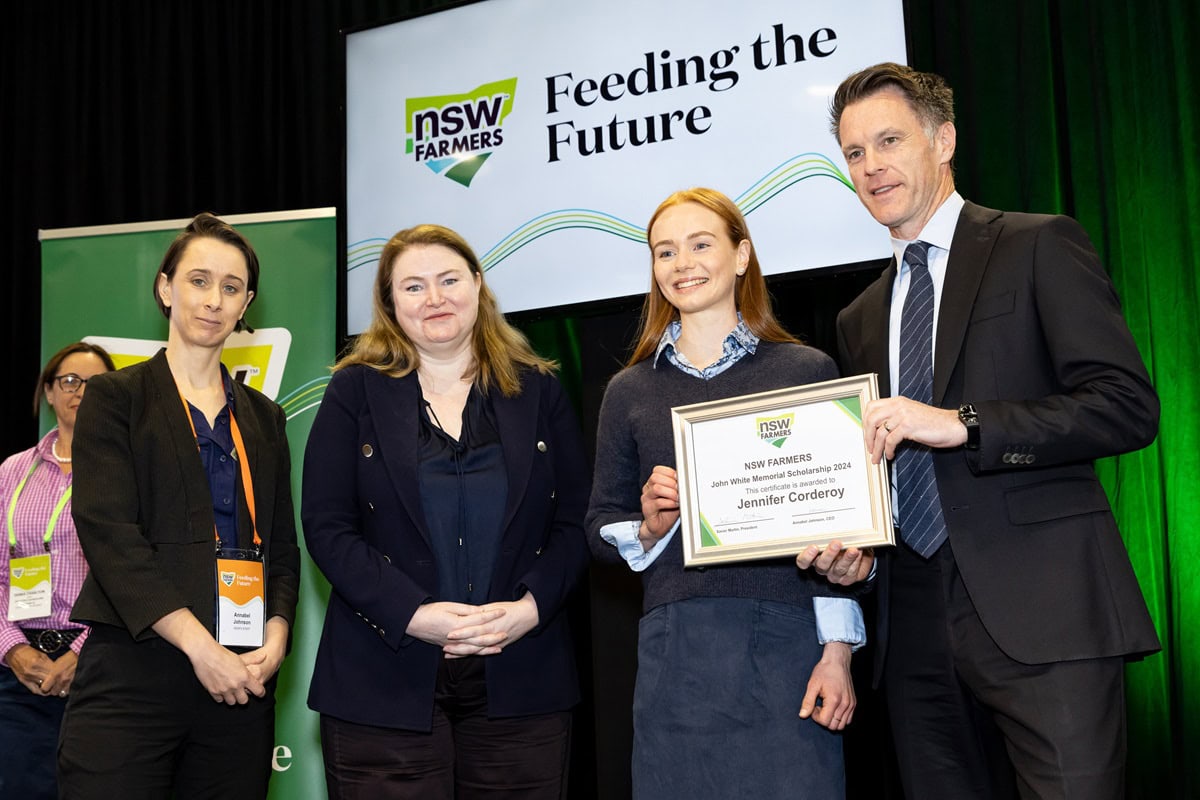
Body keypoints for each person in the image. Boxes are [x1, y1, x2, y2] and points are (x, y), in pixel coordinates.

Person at [799, 62, 1160, 799]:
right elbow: (881, 469)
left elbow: (1125, 404)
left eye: (889, 140)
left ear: (945, 140)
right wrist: (854, 558)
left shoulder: (1036, 245)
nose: (872, 167)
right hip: (914, 625)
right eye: (855, 153)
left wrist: (964, 423)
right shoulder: (858, 316)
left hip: (1044, 608)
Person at [586, 187, 864, 799]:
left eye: (700, 244)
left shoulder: (805, 370)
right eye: (664, 251)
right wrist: (648, 526)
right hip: (675, 648)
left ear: (741, 256)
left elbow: (842, 525)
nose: (681, 262)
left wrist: (837, 653)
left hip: (790, 642)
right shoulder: (629, 391)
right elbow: (599, 528)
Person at [302, 224, 590, 799]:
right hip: (381, 675)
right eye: (412, 286)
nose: (434, 298)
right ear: (389, 304)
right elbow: (328, 528)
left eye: (449, 279)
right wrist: (413, 614)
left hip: (521, 674)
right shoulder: (352, 393)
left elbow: (578, 521)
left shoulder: (538, 390)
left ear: (478, 285)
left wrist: (529, 610)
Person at [57, 212, 301, 798]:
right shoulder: (115, 398)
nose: (214, 299)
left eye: (231, 287)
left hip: (239, 683)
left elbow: (283, 549)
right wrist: (201, 648)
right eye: (198, 280)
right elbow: (110, 537)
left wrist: (275, 637)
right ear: (166, 288)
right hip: (135, 669)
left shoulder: (265, 417)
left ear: (247, 305)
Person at [0, 342, 114, 800]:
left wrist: (78, 655)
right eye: (70, 381)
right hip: (19, 673)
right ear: (49, 392)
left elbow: (130, 578)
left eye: (96, 384)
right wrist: (13, 651)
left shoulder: (126, 474)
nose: (81, 392)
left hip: (99, 668)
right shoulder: (12, 471)